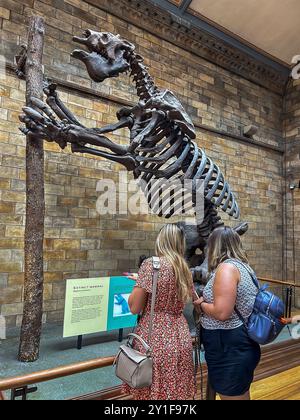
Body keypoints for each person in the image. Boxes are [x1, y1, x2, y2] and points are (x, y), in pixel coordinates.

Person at [124, 224, 195, 400]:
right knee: (175, 389)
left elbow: (134, 307)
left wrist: (139, 281)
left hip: (155, 336)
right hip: (180, 336)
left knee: (150, 389)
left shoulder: (151, 265)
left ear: (161, 240)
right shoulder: (185, 269)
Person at [194, 226, 261, 400]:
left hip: (229, 346)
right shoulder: (244, 267)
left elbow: (222, 312)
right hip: (236, 343)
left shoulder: (227, 269)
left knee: (232, 394)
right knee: (238, 393)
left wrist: (201, 305)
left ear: (215, 246)